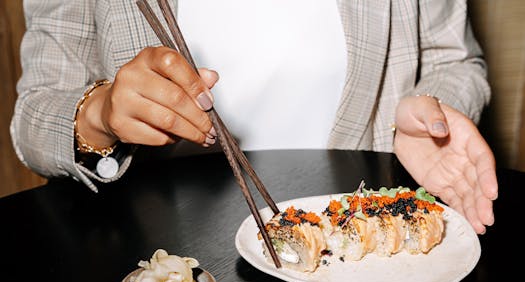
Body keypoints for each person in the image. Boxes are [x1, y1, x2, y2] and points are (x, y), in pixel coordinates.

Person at [11, 0, 497, 234]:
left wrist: (431, 111)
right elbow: (36, 114)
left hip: (359, 251)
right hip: (167, 279)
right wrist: (100, 112)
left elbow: (453, 61)